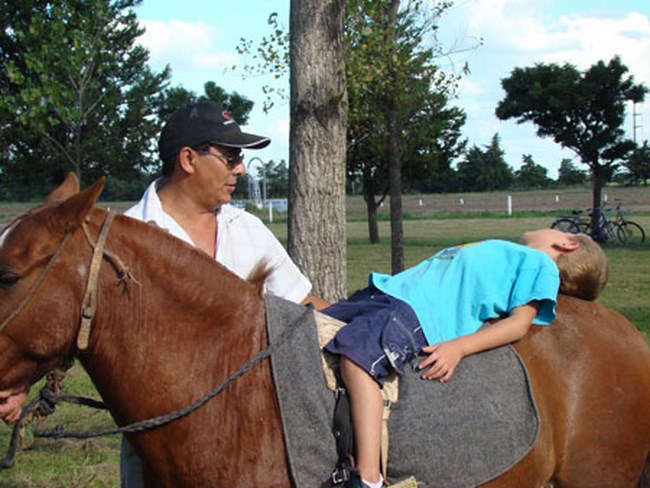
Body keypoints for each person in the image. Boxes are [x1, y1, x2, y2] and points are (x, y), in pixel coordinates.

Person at [0, 101, 328, 485]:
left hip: (252, 452)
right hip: (162, 466)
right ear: (189, 159)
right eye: (230, 156)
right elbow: (65, 322)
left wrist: (381, 326)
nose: (239, 168)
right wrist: (20, 380)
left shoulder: (247, 229)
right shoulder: (124, 241)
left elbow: (301, 304)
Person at [322, 229, 608, 488]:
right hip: (386, 292)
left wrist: (459, 347)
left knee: (358, 361)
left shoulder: (541, 264)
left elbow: (520, 323)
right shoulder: (512, 254)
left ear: (566, 243)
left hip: (415, 311)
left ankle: (368, 478)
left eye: (562, 230)